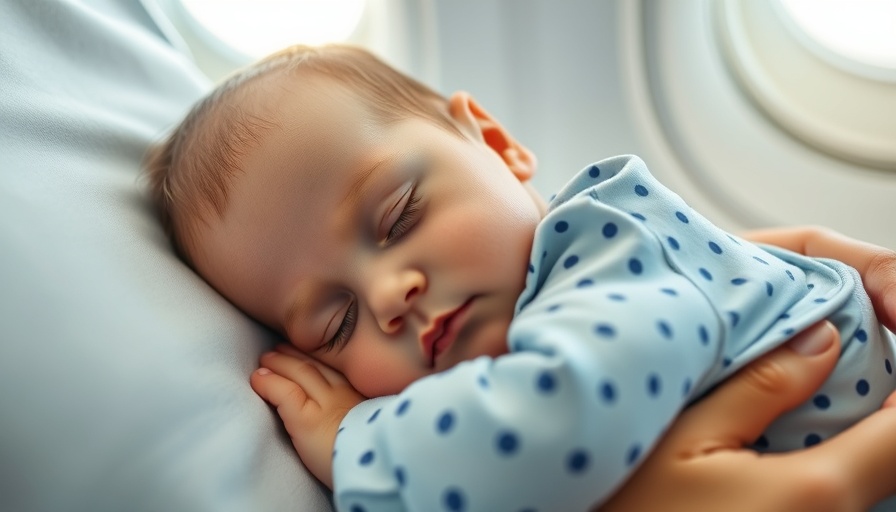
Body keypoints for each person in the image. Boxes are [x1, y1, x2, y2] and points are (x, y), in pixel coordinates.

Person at [143, 44, 896, 511]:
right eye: (336, 324)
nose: (388, 295)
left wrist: (355, 441)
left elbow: (554, 426)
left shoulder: (602, 243)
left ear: (498, 143)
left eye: (401, 217)